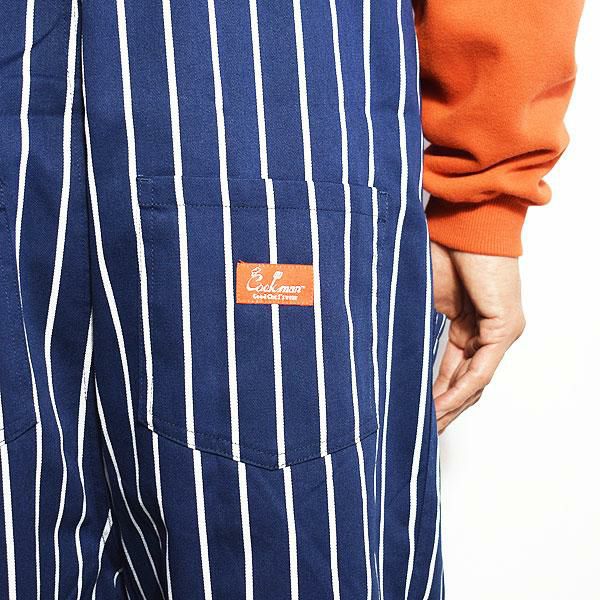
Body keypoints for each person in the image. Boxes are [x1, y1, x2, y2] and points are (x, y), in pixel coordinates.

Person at [0, 0, 583, 598]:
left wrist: (484, 199)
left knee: (277, 547)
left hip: (265, 63)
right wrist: (485, 194)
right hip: (259, 69)